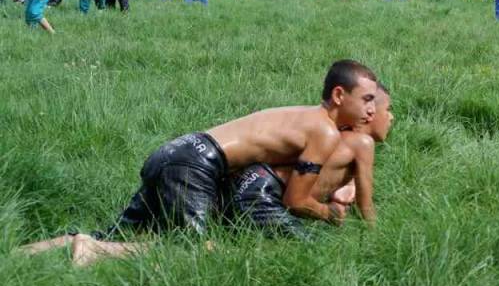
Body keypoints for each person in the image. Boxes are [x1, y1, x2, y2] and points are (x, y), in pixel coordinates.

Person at [17, 61, 381, 265]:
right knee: (190, 251)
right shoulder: (324, 131)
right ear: (338, 94)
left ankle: (18, 255)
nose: (372, 109)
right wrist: (330, 216)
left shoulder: (303, 117)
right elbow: (295, 201)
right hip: (195, 165)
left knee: (117, 233)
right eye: (367, 99)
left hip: (176, 151)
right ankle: (94, 253)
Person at [225, 83, 394, 237]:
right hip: (264, 191)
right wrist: (377, 235)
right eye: (388, 109)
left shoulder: (336, 134)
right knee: (306, 245)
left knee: (232, 230)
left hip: (250, 180)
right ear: (371, 113)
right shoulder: (363, 143)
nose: (391, 117)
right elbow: (365, 206)